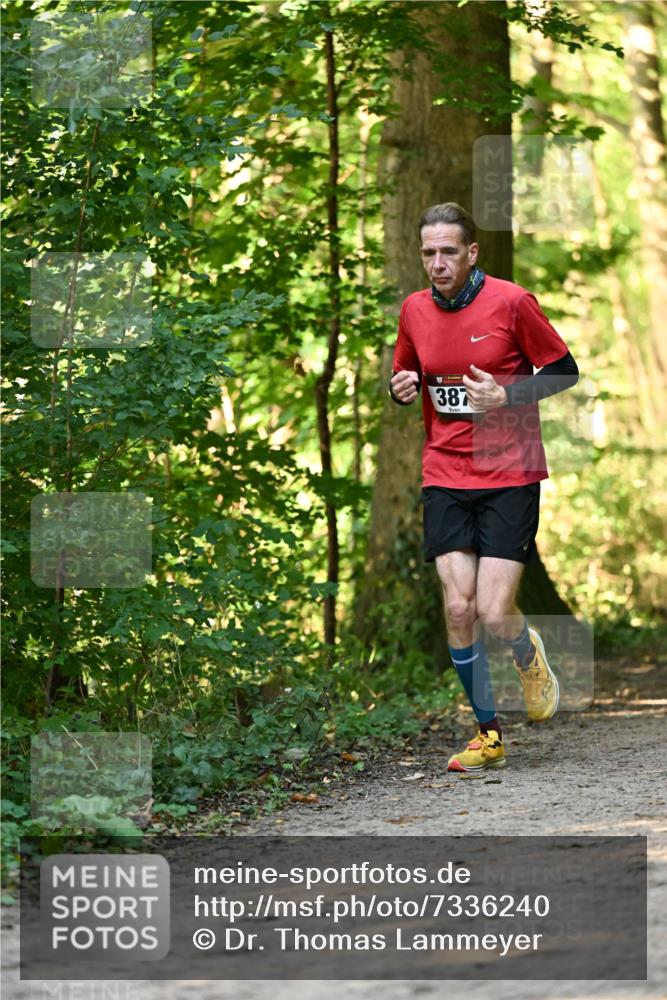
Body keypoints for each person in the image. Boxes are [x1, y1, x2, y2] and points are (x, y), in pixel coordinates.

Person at [390, 202, 579, 772]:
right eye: (429, 253)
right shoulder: (414, 310)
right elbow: (409, 376)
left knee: (495, 613)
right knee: (457, 605)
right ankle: (488, 735)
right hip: (445, 472)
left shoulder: (512, 302)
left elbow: (565, 370)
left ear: (472, 252)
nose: (438, 263)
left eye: (449, 251)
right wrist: (400, 388)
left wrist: (508, 395)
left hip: (509, 473)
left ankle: (527, 653)